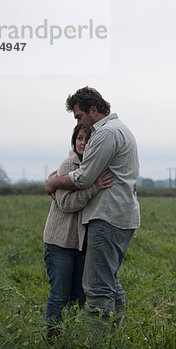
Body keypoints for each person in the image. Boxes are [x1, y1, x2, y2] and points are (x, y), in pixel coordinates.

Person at [44, 86, 140, 318]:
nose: (79, 123)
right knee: (109, 280)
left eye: (79, 116)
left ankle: (95, 346)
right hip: (120, 216)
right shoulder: (120, 129)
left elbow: (83, 177)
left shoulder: (106, 133)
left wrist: (54, 182)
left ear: (93, 110)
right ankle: (118, 331)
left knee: (97, 289)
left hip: (106, 216)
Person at [43, 125, 113, 336]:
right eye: (79, 138)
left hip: (84, 243)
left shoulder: (97, 168)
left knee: (80, 296)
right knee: (59, 295)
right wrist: (94, 188)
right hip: (60, 242)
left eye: (87, 139)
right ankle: (54, 340)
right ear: (74, 142)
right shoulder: (67, 165)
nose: (82, 142)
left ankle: (74, 338)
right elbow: (65, 202)